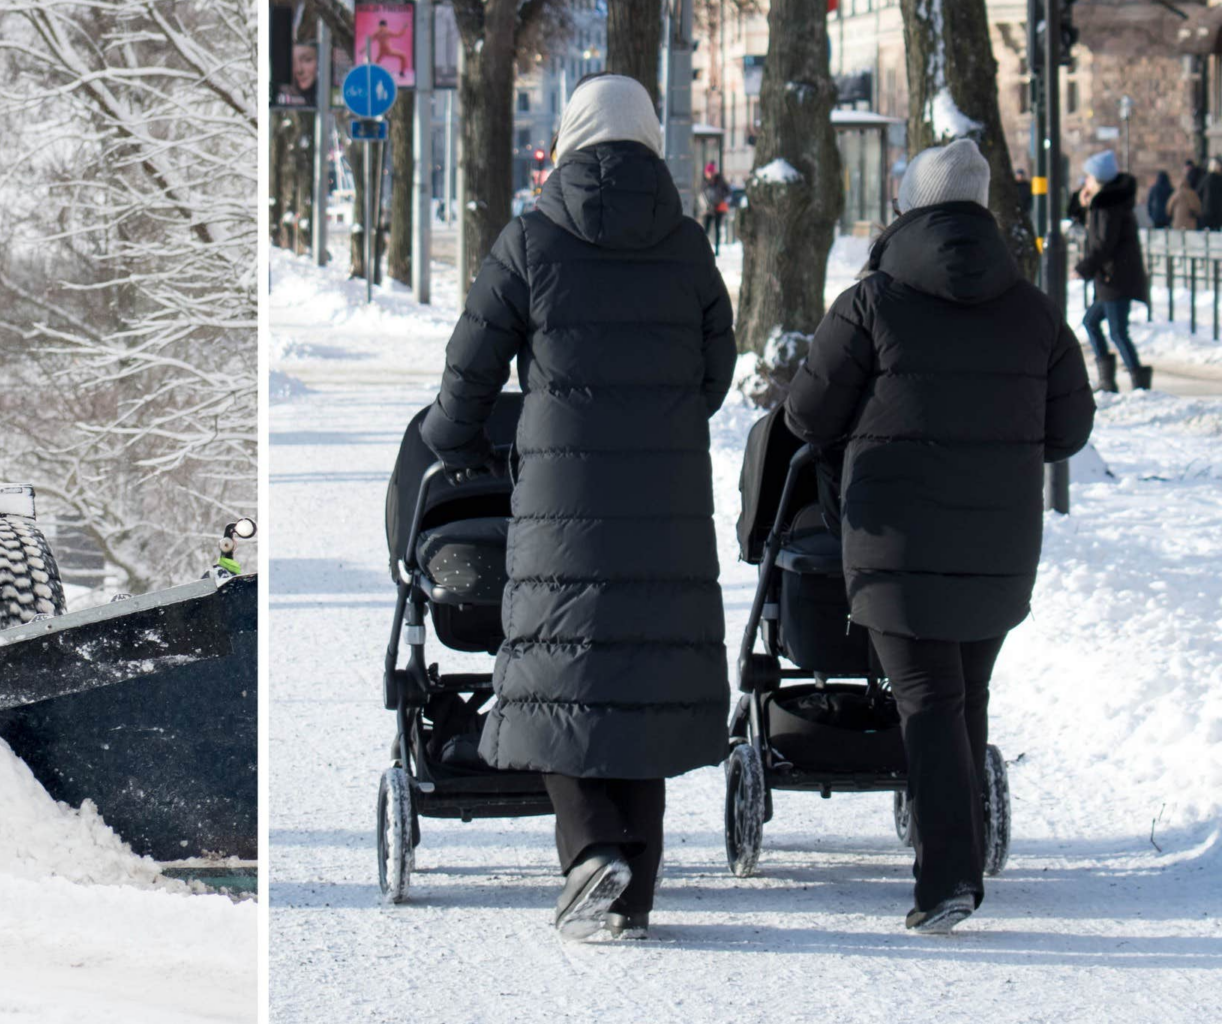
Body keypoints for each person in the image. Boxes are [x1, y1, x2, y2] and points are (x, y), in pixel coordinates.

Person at [419, 74, 734, 943]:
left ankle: (592, 849)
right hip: (667, 491)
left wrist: (452, 439)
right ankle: (631, 897)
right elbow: (715, 373)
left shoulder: (533, 240)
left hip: (564, 495)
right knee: (647, 676)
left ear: (566, 142)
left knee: (554, 668)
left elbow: (469, 371)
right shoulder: (687, 246)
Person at [785, 138, 1096, 935]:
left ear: (909, 208)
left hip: (895, 539)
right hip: (998, 546)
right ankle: (957, 848)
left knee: (925, 697)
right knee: (966, 693)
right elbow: (1069, 429)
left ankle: (948, 878)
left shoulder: (873, 302)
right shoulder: (1031, 308)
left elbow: (807, 417)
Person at [1075, 150, 1152, 391]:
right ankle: (1111, 380)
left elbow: (1103, 244)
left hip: (1117, 278)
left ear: (1097, 179)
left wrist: (1084, 267)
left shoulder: (1108, 207)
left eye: (1088, 177)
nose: (1085, 182)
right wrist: (1087, 206)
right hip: (1112, 278)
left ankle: (1137, 382)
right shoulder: (1106, 203)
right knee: (1093, 323)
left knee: (1117, 331)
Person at [701, 162, 731, 253]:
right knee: (706, 229)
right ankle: (704, 248)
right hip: (708, 209)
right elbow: (702, 194)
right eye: (707, 173)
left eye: (710, 173)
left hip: (718, 207)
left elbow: (728, 192)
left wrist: (721, 198)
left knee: (717, 228)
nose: (709, 175)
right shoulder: (704, 183)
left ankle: (717, 249)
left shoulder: (720, 181)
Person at [1168, 165, 1204, 230]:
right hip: (1190, 224)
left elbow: (1169, 209)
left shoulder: (1176, 194)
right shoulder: (1192, 194)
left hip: (1177, 223)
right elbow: (1197, 209)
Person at [1198, 156, 1222, 230]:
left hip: (1207, 210)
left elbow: (1198, 192)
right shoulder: (1220, 180)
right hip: (1218, 210)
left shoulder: (1206, 178)